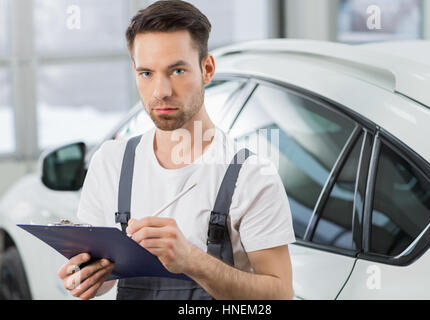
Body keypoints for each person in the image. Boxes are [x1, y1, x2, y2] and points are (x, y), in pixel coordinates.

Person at [57, 0, 296, 300]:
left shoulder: (251, 177)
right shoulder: (110, 162)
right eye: (147, 73)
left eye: (177, 71)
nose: (161, 91)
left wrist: (192, 260)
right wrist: (88, 277)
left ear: (207, 69)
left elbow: (280, 295)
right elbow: (103, 277)